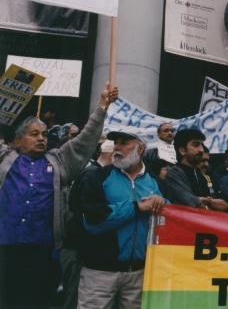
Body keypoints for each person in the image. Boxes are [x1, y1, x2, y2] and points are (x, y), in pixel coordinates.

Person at [0, 83, 118, 309]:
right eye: (34, 134)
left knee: (39, 302)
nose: (41, 138)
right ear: (17, 140)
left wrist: (102, 106)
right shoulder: (5, 159)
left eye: (44, 134)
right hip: (5, 249)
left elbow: (84, 142)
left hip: (44, 251)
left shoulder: (57, 162)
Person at [75, 129, 165, 309]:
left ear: (140, 149)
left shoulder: (155, 182)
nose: (117, 147)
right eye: (116, 143)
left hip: (139, 274)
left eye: (124, 143)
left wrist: (162, 203)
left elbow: (169, 218)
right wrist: (136, 207)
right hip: (99, 273)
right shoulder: (97, 177)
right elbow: (92, 221)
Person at [61, 139, 116, 309]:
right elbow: (82, 210)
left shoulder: (93, 173)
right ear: (110, 155)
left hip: (79, 246)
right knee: (75, 294)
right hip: (78, 247)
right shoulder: (91, 175)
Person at [164, 129, 228, 212]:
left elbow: (224, 204)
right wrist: (208, 204)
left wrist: (208, 201)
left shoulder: (200, 174)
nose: (201, 150)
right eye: (196, 145)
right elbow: (191, 203)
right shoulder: (173, 174)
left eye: (201, 145)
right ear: (182, 150)